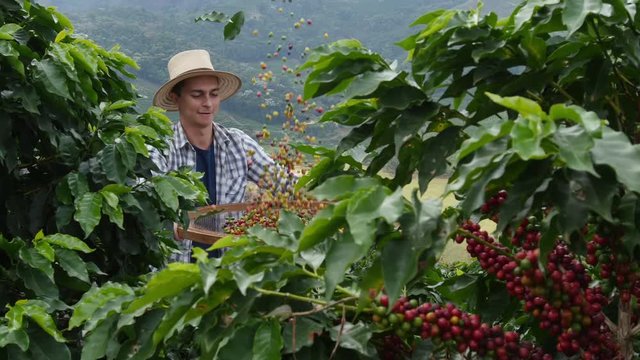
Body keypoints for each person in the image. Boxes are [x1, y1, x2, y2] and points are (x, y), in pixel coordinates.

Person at [150, 49, 278, 262]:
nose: (208, 103)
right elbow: (147, 213)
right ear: (176, 98)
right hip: (176, 277)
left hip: (227, 276)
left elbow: (284, 184)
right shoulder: (160, 149)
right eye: (197, 95)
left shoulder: (238, 144)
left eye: (214, 94)